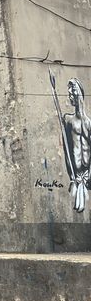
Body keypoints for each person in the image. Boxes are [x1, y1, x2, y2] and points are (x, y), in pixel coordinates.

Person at [54, 77, 91, 212]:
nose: (70, 96)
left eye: (73, 91)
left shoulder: (89, 123)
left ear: (79, 93)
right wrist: (72, 176)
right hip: (76, 176)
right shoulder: (68, 119)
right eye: (69, 93)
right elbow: (66, 150)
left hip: (87, 176)